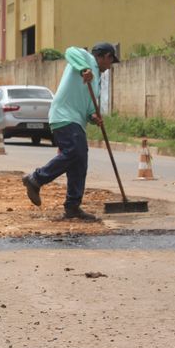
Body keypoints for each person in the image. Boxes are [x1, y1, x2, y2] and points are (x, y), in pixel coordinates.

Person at [21, 42, 119, 221]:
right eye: (110, 62)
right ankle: (36, 179)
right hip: (63, 116)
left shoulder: (96, 80)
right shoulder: (85, 58)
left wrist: (93, 116)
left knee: (80, 161)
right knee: (74, 152)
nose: (110, 66)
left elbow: (89, 106)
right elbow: (69, 51)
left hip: (77, 121)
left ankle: (72, 206)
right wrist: (83, 69)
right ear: (106, 57)